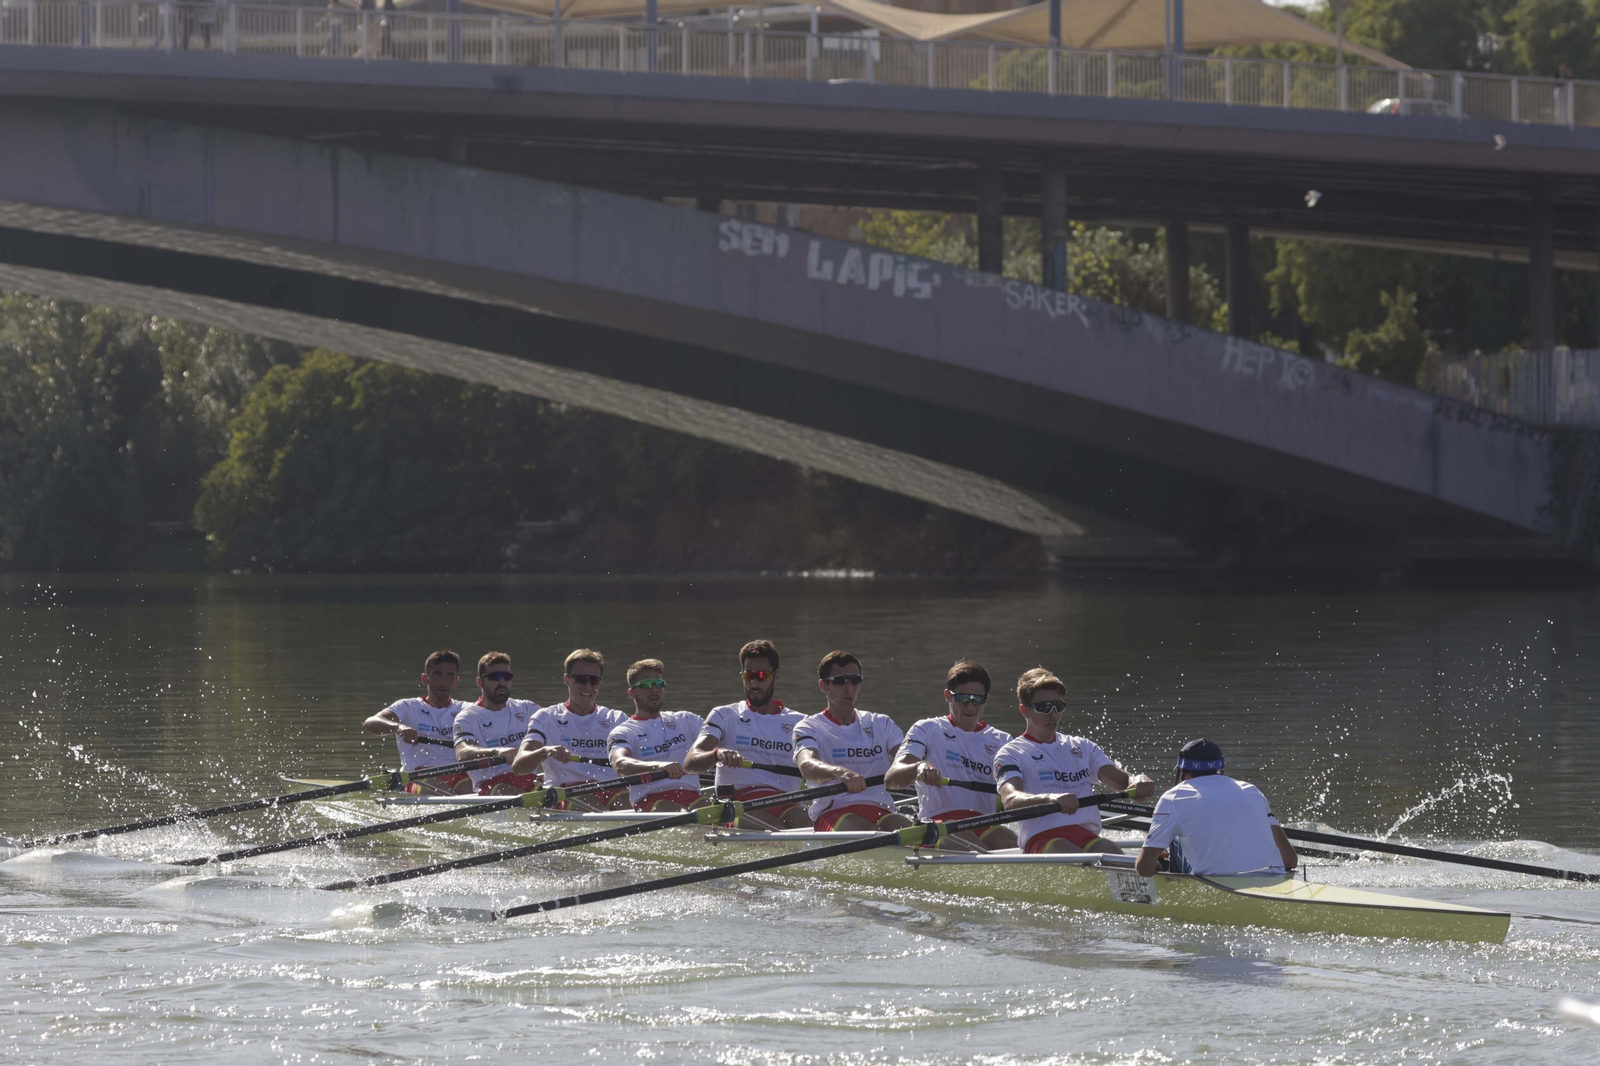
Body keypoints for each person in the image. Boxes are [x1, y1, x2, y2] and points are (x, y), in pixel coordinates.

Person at [993, 668, 1155, 854]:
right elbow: (1010, 799)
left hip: (1085, 836)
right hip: (1042, 839)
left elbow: (1122, 782)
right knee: (1067, 851)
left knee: (1114, 853)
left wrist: (1136, 780)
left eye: (1058, 707)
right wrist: (1051, 798)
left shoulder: (1081, 747)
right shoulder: (1010, 753)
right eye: (1044, 708)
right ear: (1025, 711)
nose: (1053, 714)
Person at [885, 659, 1014, 850]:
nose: (970, 707)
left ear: (987, 698)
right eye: (963, 699)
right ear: (948, 695)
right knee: (971, 844)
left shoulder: (1002, 741)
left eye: (978, 700)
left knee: (1013, 842)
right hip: (939, 824)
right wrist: (919, 766)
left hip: (985, 823)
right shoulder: (927, 729)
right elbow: (892, 779)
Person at [683, 640, 808, 830]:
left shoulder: (801, 722)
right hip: (737, 805)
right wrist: (717, 754)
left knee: (804, 822)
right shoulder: (724, 715)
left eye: (761, 676)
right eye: (748, 675)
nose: (754, 683)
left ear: (777, 676)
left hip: (787, 803)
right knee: (772, 828)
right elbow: (691, 763)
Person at [1135, 738, 1298, 878]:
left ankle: (1176, 879)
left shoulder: (1173, 798)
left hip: (1216, 887)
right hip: (1273, 880)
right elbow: (1290, 860)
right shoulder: (1251, 791)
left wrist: (1158, 866)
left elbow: (1143, 869)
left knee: (1177, 838)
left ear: (1182, 771)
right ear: (1221, 770)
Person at [792, 651, 912, 832]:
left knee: (906, 829)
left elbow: (906, 759)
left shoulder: (880, 723)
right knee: (872, 834)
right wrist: (839, 772)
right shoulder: (809, 727)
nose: (848, 687)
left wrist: (919, 769)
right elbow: (807, 765)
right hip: (833, 814)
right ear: (824, 685)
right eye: (840, 681)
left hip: (881, 811)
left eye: (854, 680)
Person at [511, 650, 629, 810]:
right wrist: (545, 751)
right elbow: (518, 766)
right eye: (581, 679)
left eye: (593, 680)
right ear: (567, 679)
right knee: (594, 807)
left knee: (627, 804)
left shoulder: (617, 718)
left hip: (611, 788)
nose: (588, 686)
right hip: (566, 792)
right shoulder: (546, 717)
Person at [360, 649, 470, 793]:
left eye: (450, 676)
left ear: (456, 681)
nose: (443, 682)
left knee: (473, 791)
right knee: (439, 791)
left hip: (457, 774)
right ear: (425, 679)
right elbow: (370, 723)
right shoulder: (408, 707)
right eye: (437, 675)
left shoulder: (466, 709)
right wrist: (399, 727)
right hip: (417, 776)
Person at [606, 659, 708, 812]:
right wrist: (660, 766)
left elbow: (719, 738)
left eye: (658, 684)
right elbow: (621, 764)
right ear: (631, 693)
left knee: (713, 813)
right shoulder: (623, 732)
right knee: (679, 813)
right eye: (646, 685)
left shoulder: (686, 720)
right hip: (651, 801)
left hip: (691, 797)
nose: (654, 689)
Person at [452, 652, 542, 794]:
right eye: (494, 677)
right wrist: (498, 751)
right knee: (506, 790)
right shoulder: (468, 717)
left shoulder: (527, 708)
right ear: (479, 682)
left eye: (506, 677)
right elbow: (462, 752)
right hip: (492, 787)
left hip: (530, 783)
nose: (501, 682)